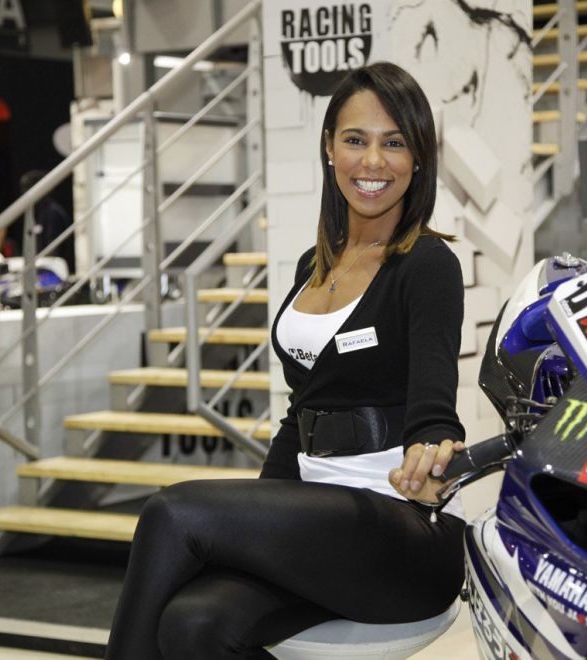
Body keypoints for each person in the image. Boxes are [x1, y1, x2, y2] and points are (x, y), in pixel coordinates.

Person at [105, 61, 468, 659]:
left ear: (418, 157)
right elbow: (303, 413)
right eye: (355, 140)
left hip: (398, 528)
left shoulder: (427, 265)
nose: (372, 162)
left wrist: (433, 445)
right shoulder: (314, 265)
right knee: (195, 624)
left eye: (394, 143)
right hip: (315, 517)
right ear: (329, 148)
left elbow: (434, 399)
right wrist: (257, 517)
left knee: (172, 512)